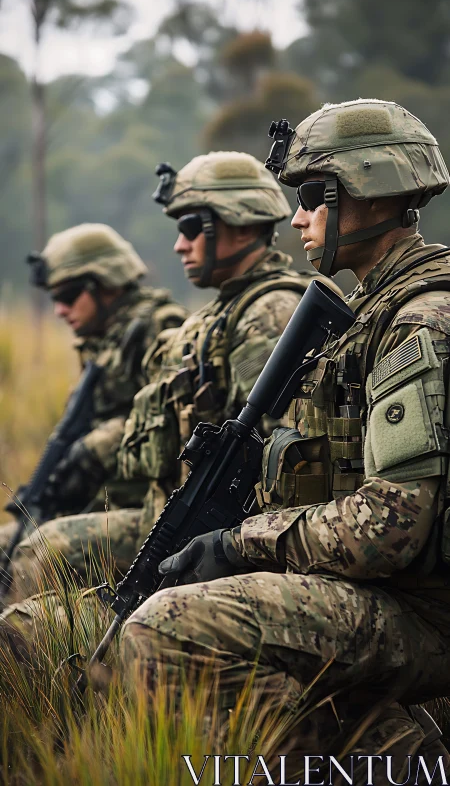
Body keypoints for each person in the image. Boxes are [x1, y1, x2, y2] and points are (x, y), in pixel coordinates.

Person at [119, 101, 450, 765]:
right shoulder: (371, 312)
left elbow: (391, 527)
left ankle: (381, 766)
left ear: (368, 193)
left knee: (168, 628)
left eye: (310, 197)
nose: (296, 218)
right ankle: (387, 751)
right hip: (387, 593)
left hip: (425, 611)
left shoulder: (423, 322)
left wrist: (239, 543)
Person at [4, 150, 336, 607]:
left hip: (219, 529)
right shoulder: (221, 313)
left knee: (46, 553)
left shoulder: (270, 311)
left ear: (240, 224)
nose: (180, 245)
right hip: (168, 512)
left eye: (191, 227)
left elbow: (275, 443)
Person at [0, 223, 188, 595]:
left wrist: (98, 446)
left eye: (69, 295)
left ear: (106, 282)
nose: (60, 310)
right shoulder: (101, 341)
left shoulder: (160, 329)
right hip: (107, 498)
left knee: (39, 553)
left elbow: (178, 415)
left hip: (154, 505)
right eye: (55, 298)